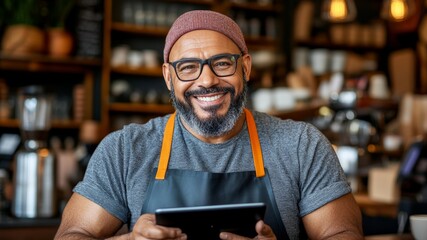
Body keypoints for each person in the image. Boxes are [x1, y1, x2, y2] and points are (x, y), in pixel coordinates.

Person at [54, 10, 363, 240]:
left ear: (245, 67)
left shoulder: (301, 145)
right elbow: (72, 235)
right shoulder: (125, 150)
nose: (207, 80)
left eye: (222, 63)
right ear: (168, 77)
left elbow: (344, 234)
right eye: (188, 67)